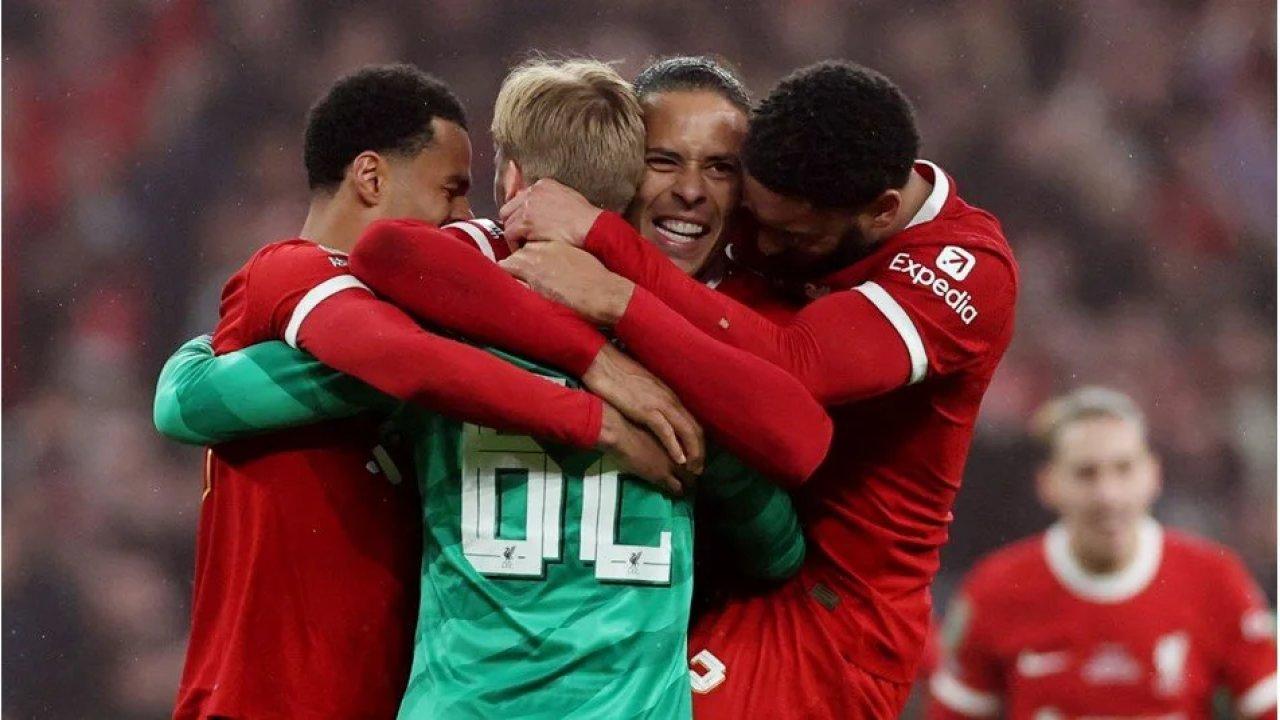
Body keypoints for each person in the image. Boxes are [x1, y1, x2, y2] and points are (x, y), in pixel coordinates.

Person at [159, 58, 818, 719]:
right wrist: (696, 453)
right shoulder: (689, 379)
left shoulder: (439, 339)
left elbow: (196, 405)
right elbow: (778, 547)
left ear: (513, 181)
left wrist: (193, 363)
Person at [498, 60, 1020, 717]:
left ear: (883, 211)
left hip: (827, 611)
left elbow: (795, 368)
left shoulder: (966, 272)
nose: (760, 246)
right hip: (720, 581)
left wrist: (611, 277)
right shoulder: (785, 213)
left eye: (790, 235)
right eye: (663, 160)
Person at [928, 387, 1276, 720]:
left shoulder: (1215, 580)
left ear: (1153, 474)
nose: (1108, 495)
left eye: (1123, 469)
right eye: (1086, 474)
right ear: (1048, 484)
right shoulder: (997, 588)